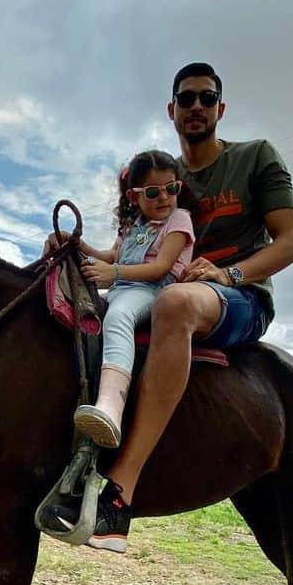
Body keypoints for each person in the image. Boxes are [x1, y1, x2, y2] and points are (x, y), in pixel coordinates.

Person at [44, 62, 293, 553]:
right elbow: (131, 246)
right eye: (187, 99)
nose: (197, 107)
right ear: (172, 110)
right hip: (162, 286)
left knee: (175, 302)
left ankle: (121, 490)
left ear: (221, 109)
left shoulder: (255, 157)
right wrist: (78, 249)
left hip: (238, 295)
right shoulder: (162, 172)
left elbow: (292, 243)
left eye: (207, 99)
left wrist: (228, 274)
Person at [73, 150, 196, 464]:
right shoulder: (132, 225)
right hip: (122, 286)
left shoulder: (179, 220)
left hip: (155, 290)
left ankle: (111, 407)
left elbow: (161, 267)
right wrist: (79, 246)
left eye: (172, 189)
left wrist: (112, 274)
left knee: (118, 317)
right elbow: (111, 256)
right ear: (135, 196)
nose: (165, 198)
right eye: (153, 192)